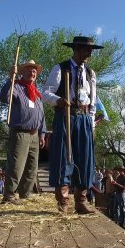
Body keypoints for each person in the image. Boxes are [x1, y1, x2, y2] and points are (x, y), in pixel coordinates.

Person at [43, 36, 103, 214]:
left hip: (84, 119)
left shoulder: (91, 74)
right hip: (66, 117)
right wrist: (58, 100)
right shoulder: (61, 68)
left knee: (85, 159)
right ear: (76, 49)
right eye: (86, 50)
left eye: (90, 50)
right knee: (64, 157)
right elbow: (45, 93)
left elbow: (92, 102)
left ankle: (81, 201)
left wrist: (91, 124)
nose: (89, 54)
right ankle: (63, 202)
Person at [0, 60, 46, 204]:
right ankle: (9, 195)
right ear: (22, 72)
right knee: (17, 165)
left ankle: (25, 194)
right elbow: (3, 97)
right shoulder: (17, 86)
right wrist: (11, 79)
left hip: (34, 135)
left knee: (32, 167)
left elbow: (41, 115)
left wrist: (42, 134)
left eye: (34, 70)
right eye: (28, 70)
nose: (32, 72)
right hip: (20, 132)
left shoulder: (37, 93)